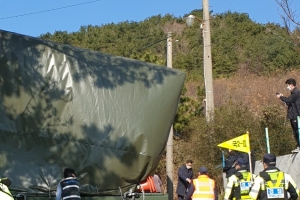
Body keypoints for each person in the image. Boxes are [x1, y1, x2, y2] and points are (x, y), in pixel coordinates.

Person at [276, 78, 300, 152]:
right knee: (295, 131)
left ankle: (299, 146)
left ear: (291, 85)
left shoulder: (296, 92)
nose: (287, 87)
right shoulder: (293, 94)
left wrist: (281, 97)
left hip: (296, 115)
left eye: (288, 85)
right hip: (293, 115)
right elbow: (289, 102)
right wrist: (283, 99)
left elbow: (288, 100)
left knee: (297, 130)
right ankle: (298, 145)